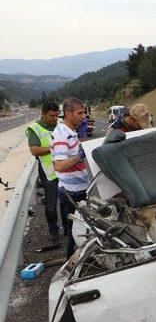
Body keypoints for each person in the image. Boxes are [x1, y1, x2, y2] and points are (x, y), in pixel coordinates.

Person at [51, 97, 91, 258]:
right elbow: (59, 165)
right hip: (71, 192)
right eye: (80, 113)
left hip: (79, 188)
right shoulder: (61, 135)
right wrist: (80, 156)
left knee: (81, 229)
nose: (83, 116)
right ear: (68, 114)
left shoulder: (70, 131)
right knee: (75, 232)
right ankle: (70, 266)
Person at [26, 101, 60, 241]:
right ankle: (54, 231)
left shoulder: (60, 124)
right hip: (48, 171)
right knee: (51, 203)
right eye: (52, 116)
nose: (55, 119)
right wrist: (55, 147)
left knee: (66, 201)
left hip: (64, 168)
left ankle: (69, 229)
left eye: (57, 115)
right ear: (43, 114)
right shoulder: (35, 128)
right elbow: (34, 150)